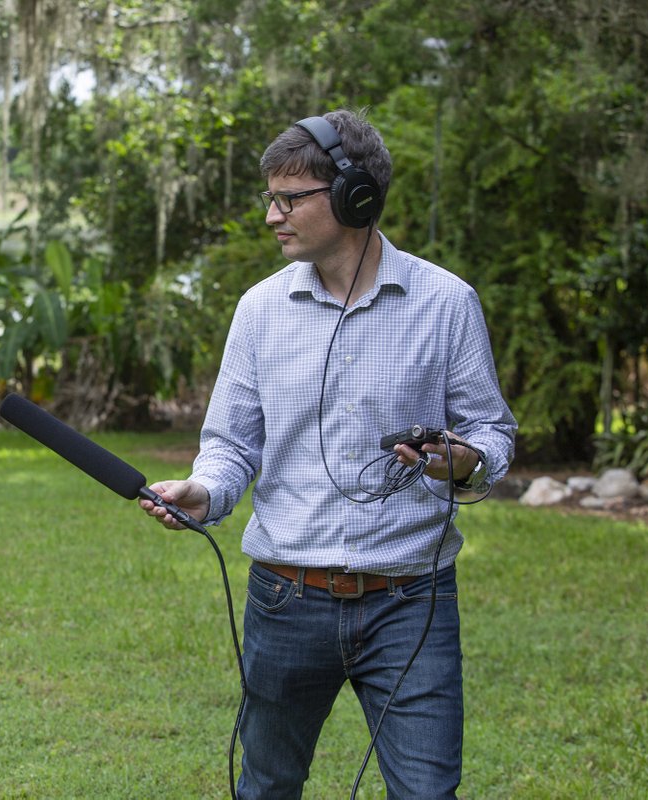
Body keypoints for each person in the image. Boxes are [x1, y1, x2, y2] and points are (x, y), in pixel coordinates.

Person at [139, 109, 517, 798]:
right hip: (285, 598)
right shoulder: (259, 310)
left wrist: (456, 460)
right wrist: (205, 491)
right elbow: (229, 447)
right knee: (267, 788)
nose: (271, 217)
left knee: (429, 792)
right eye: (269, 199)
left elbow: (491, 435)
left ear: (354, 196)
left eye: (289, 199)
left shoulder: (447, 303)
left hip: (412, 598)